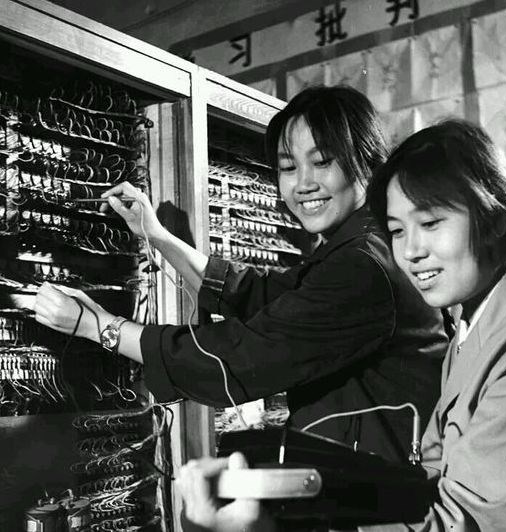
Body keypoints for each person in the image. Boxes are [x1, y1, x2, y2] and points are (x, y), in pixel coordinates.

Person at [177, 118, 506, 531]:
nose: (411, 251)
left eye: (430, 223)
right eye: (397, 231)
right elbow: (432, 479)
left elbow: (466, 523)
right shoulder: (477, 324)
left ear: (497, 218)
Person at [33, 86, 447, 459]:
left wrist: (100, 327)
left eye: (322, 162)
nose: (303, 184)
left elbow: (242, 355)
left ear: (367, 161)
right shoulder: (361, 245)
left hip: (380, 497)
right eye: (288, 168)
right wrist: (156, 235)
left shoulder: (363, 264)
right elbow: (259, 295)